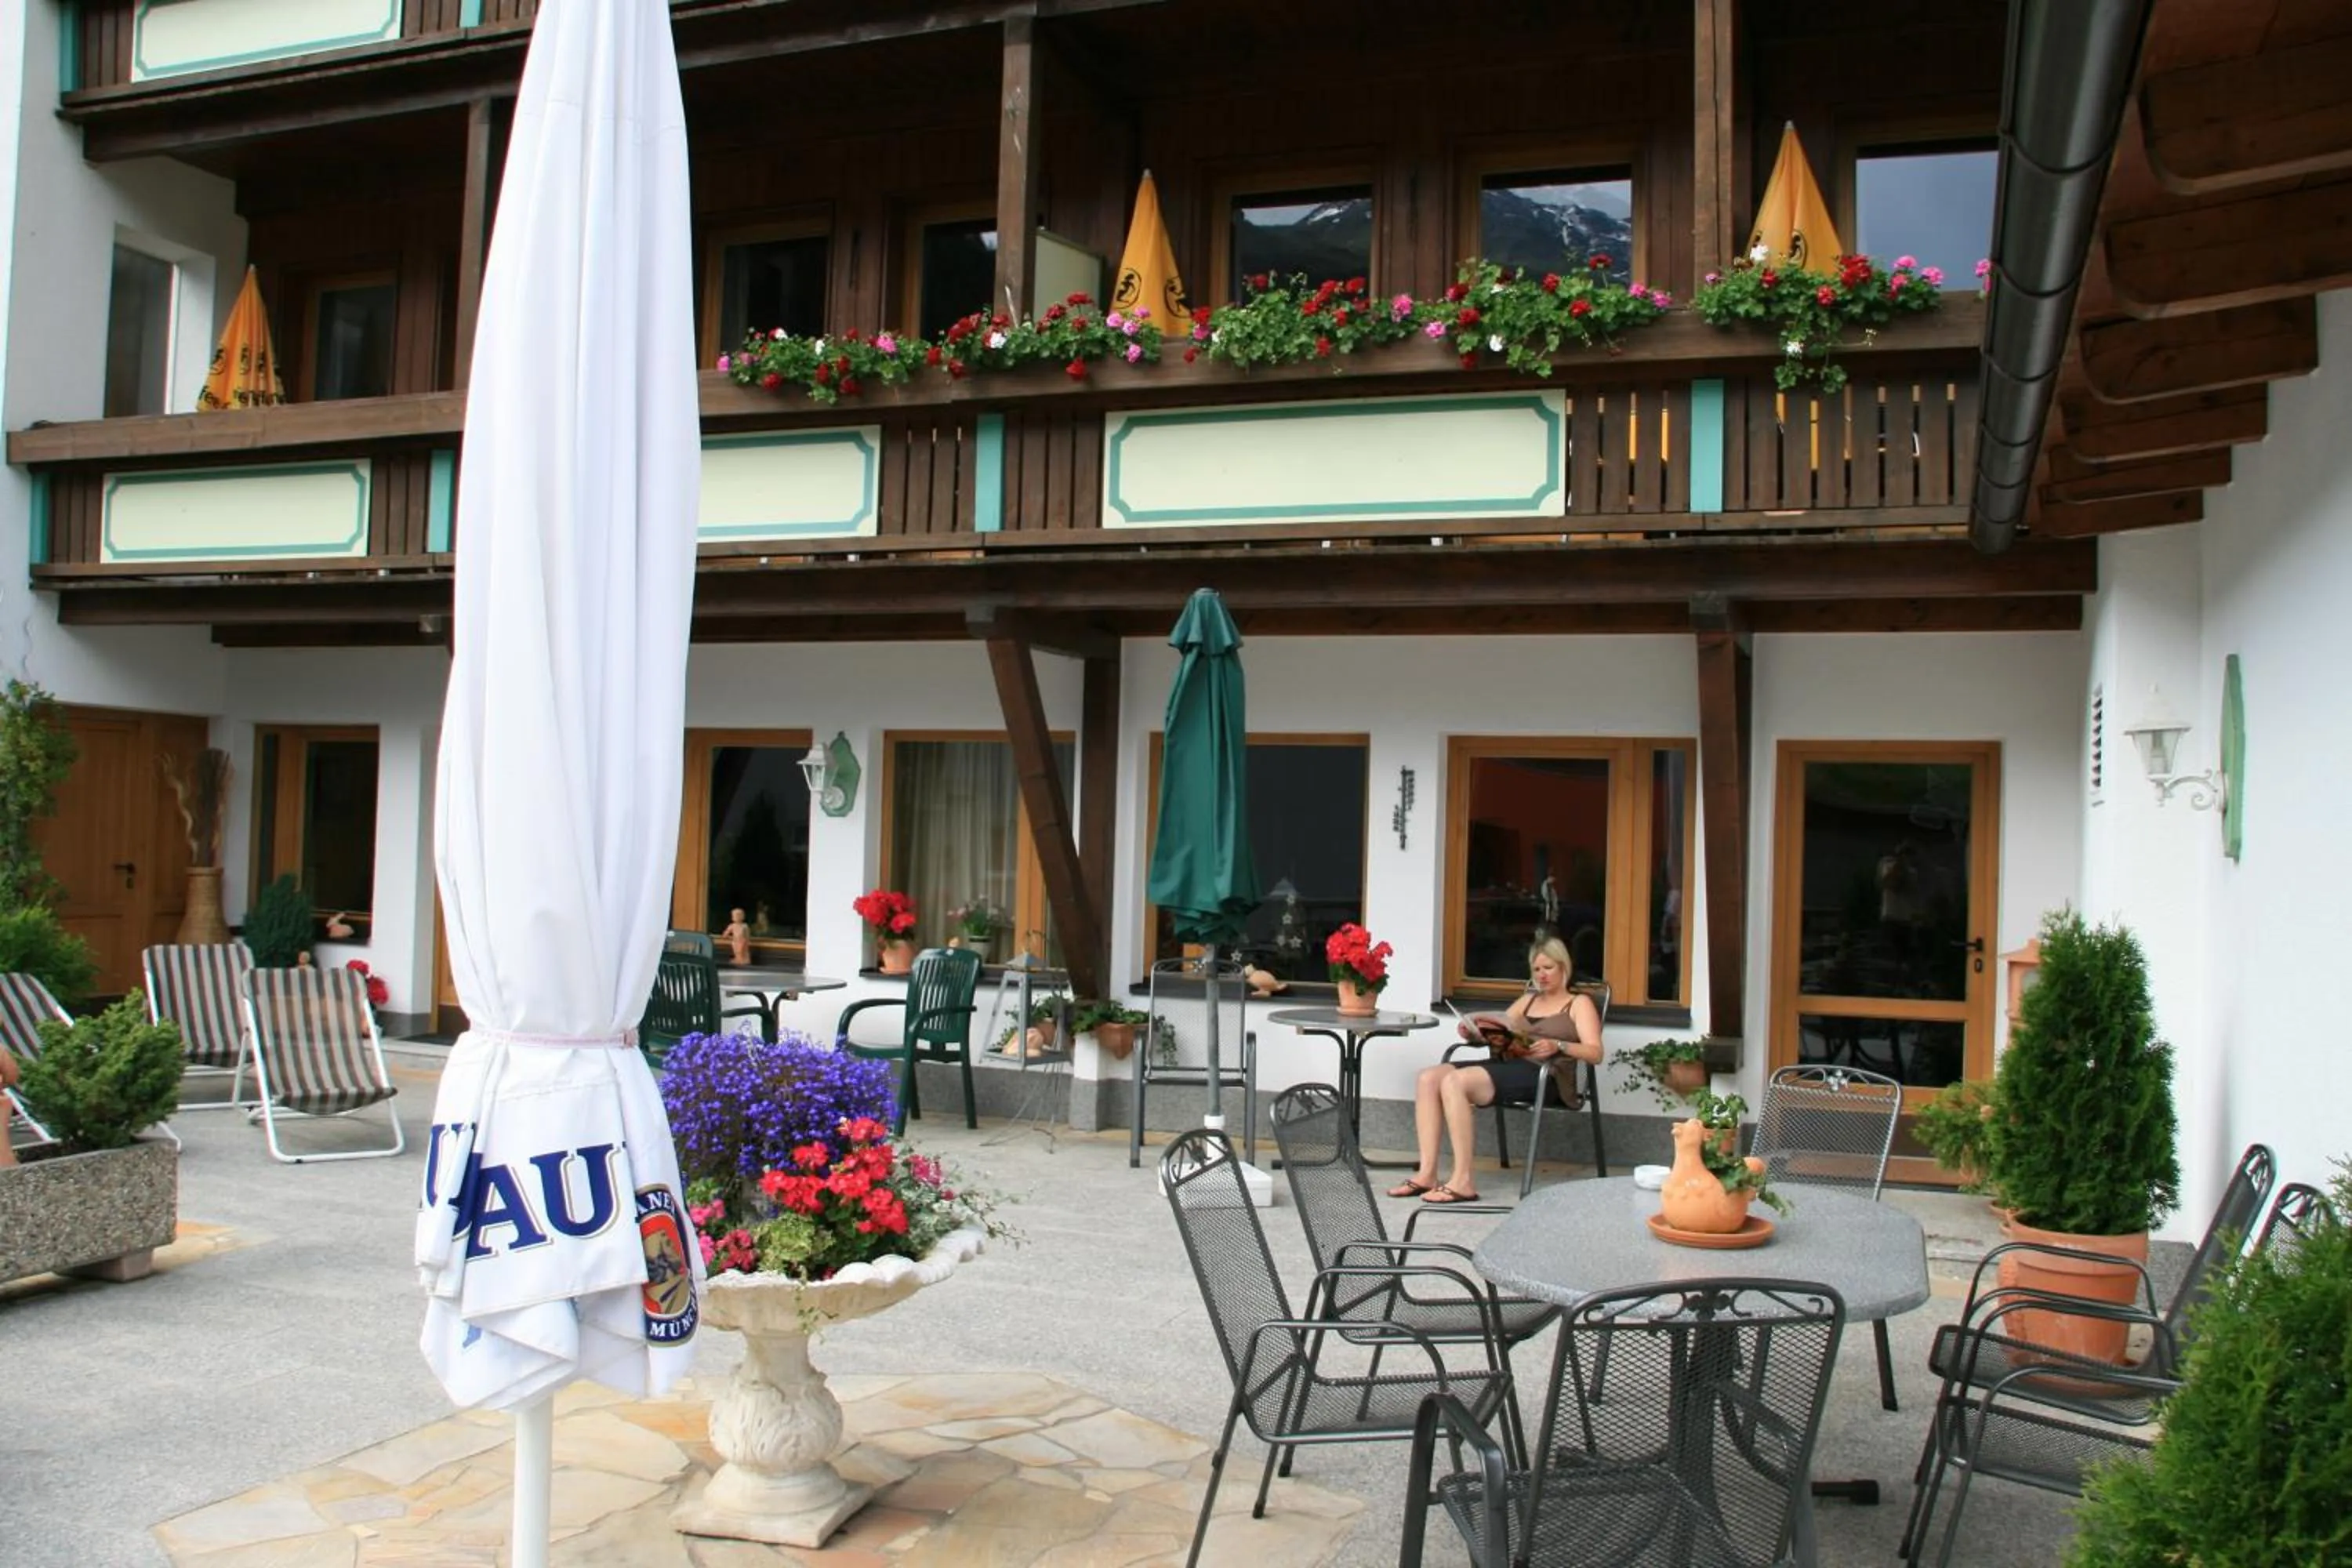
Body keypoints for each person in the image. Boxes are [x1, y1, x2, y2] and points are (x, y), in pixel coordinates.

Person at [1388, 936, 1601, 1204]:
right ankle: (1427, 1174)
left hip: (1548, 1076)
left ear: (1563, 967)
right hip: (1511, 1065)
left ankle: (1462, 1181)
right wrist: (1476, 1034)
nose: (1542, 975)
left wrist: (1558, 1045)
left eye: (1548, 968)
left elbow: (1595, 1052)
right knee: (1429, 1078)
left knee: (1455, 1081)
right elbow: (1502, 1028)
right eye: (1536, 970)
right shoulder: (1528, 1001)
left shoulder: (1579, 1003)